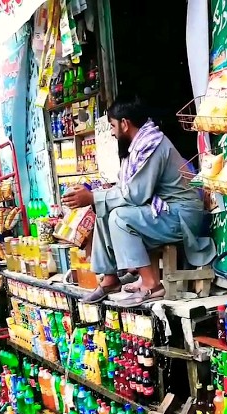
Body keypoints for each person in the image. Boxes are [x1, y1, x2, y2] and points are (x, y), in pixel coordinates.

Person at [60, 95, 212, 306]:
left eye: (113, 126)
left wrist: (92, 196)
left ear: (124, 124)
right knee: (103, 210)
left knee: (119, 217)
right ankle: (110, 278)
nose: (112, 132)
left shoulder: (152, 145)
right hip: (165, 212)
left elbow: (136, 194)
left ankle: (152, 285)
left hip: (181, 217)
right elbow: (128, 190)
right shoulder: (138, 145)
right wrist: (95, 196)